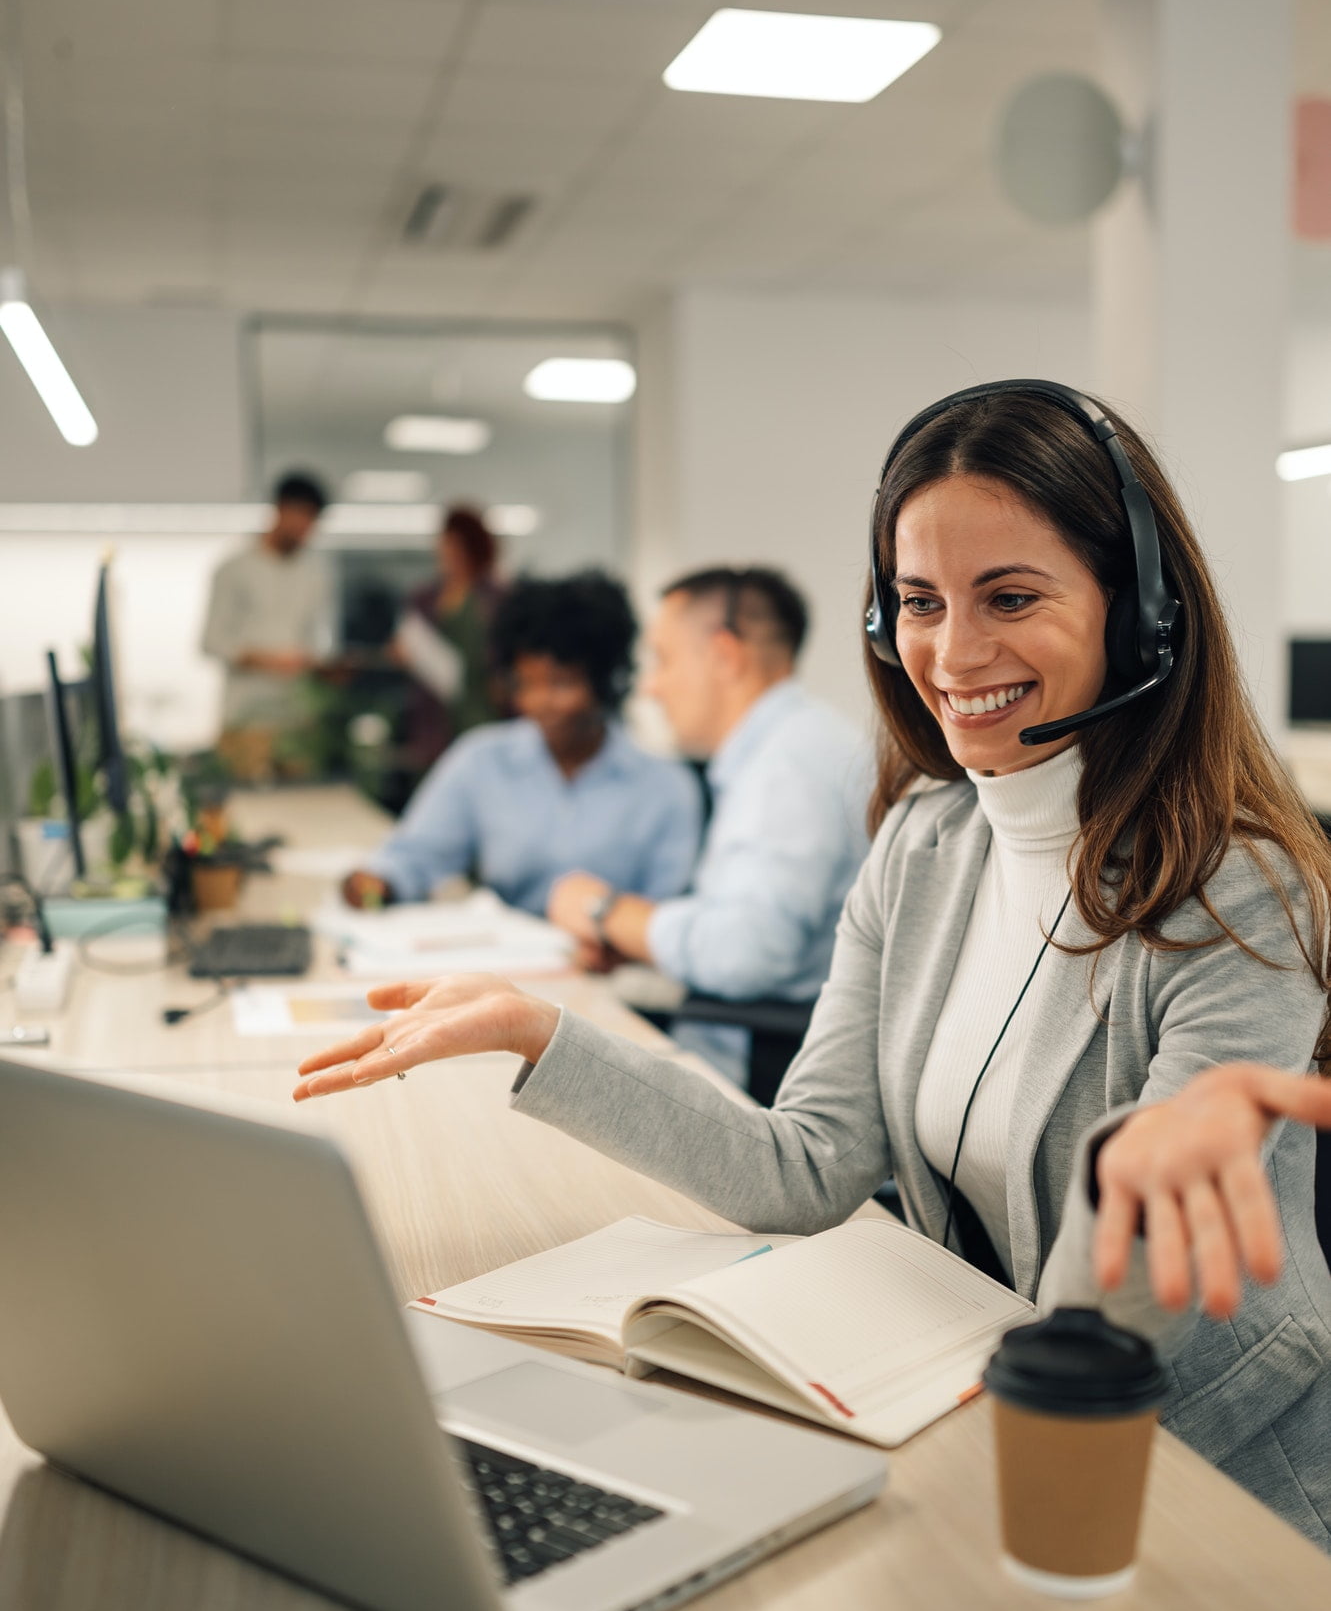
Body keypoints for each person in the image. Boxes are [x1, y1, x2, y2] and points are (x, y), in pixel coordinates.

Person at [296, 383, 1331, 1547]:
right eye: (917, 601)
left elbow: (1140, 1282)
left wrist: (1134, 1168)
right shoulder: (925, 843)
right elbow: (805, 1163)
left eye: (1010, 596)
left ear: (1139, 614)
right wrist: (542, 1033)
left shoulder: (1234, 887)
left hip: (1201, 1473)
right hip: (975, 1423)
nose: (951, 649)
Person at [546, 567, 868, 1086]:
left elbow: (746, 953)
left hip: (754, 1078)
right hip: (748, 1043)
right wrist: (633, 941)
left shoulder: (786, 770)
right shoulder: (796, 743)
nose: (651, 687)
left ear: (724, 655)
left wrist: (605, 911)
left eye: (663, 660)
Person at [340, 571, 701, 916]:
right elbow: (415, 856)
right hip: (509, 964)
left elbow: (669, 916)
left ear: (605, 682)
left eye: (560, 683)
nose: (540, 702)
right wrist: (376, 885)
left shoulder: (666, 787)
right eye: (526, 683)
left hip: (617, 971)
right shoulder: (482, 760)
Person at [201, 470, 335, 779]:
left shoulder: (315, 575)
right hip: (246, 720)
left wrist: (320, 666)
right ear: (280, 509)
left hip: (297, 721)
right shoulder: (234, 569)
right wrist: (267, 660)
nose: (307, 529)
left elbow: (313, 641)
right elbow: (211, 641)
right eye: (302, 517)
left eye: (313, 521)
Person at [396, 504, 503, 778]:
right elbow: (405, 639)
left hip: (480, 710)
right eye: (444, 542)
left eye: (455, 543)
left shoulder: (493, 598)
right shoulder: (424, 597)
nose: (446, 550)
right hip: (432, 717)